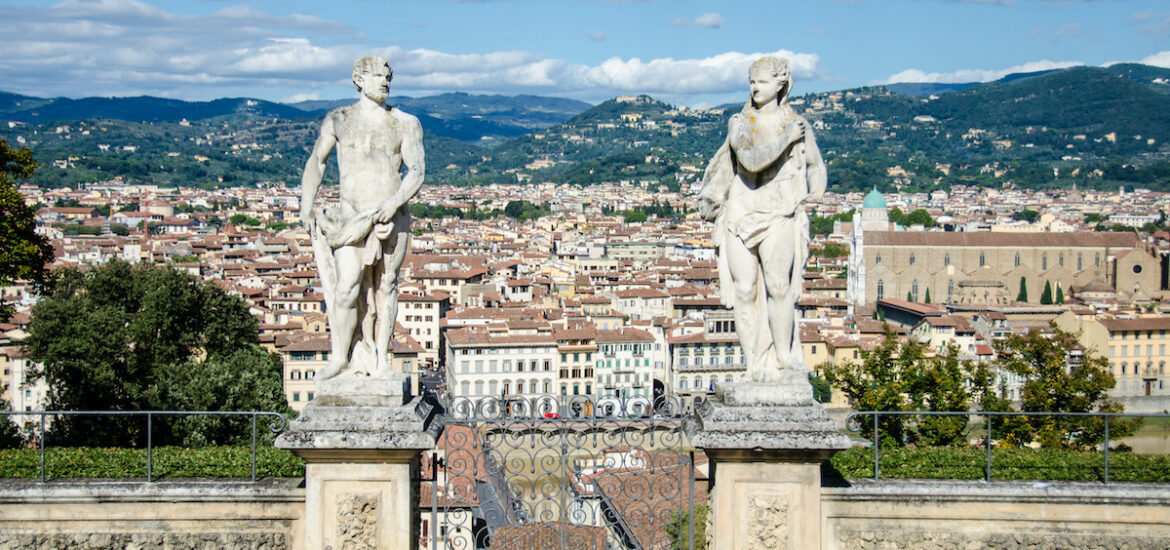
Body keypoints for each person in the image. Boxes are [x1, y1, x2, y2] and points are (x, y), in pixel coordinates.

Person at [697, 56, 826, 384]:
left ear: (780, 83)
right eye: (752, 81)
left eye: (762, 81)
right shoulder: (739, 123)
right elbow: (751, 162)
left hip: (779, 213)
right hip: (740, 215)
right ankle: (754, 363)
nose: (755, 87)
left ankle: (783, 358)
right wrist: (785, 140)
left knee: (778, 285)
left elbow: (816, 165)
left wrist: (814, 192)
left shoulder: (799, 123)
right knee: (744, 290)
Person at [301, 56, 425, 380]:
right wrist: (305, 204)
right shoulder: (339, 119)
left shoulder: (405, 123)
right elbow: (318, 161)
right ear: (359, 79)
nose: (384, 82)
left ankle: (382, 359)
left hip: (391, 216)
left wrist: (395, 202)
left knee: (387, 285)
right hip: (350, 217)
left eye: (388, 77)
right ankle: (341, 356)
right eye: (377, 76)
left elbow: (416, 170)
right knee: (346, 288)